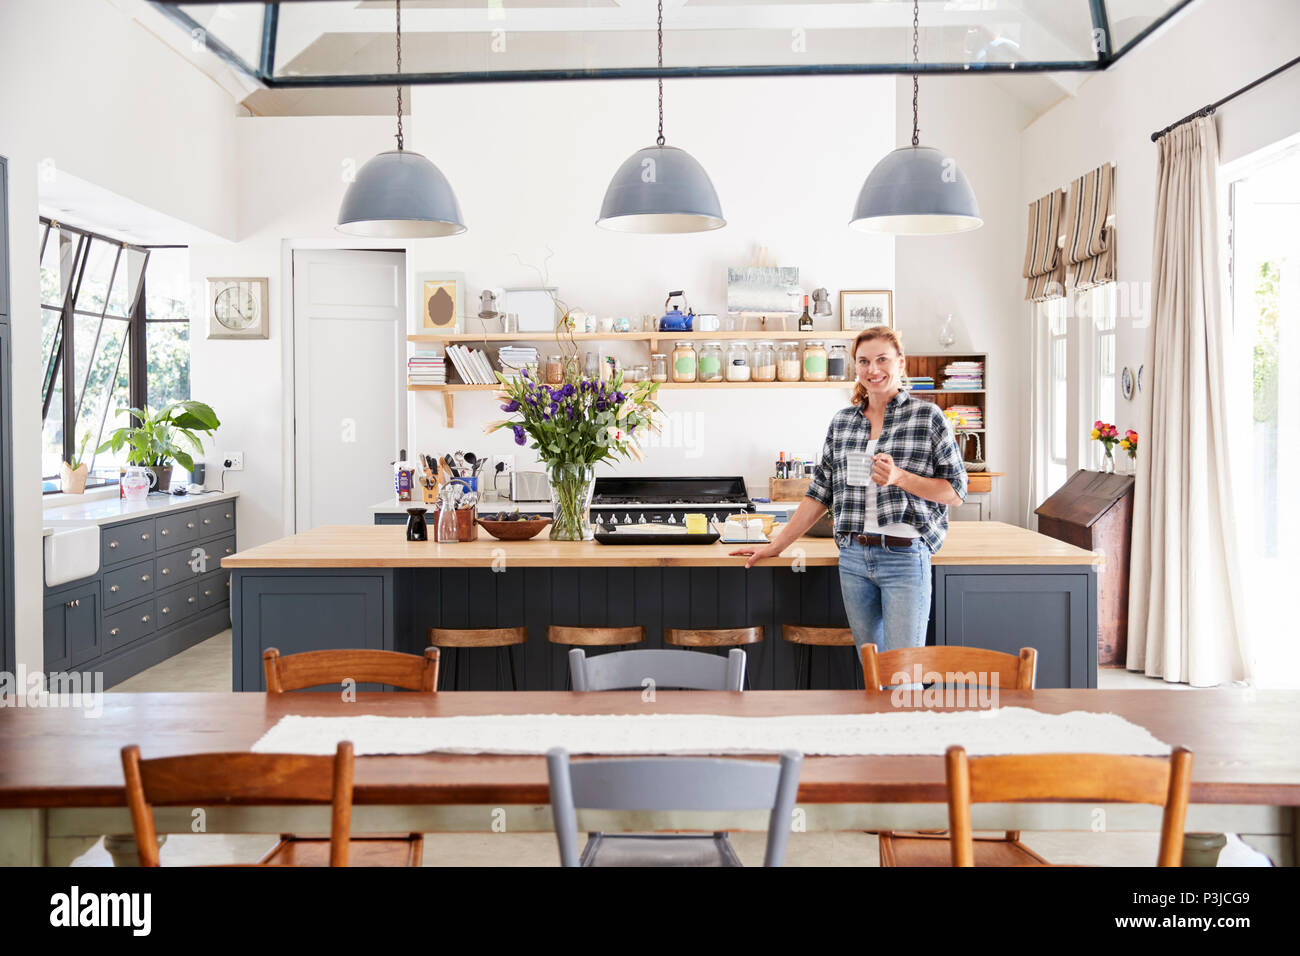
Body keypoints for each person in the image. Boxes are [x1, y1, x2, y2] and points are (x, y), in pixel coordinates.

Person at [732, 327, 967, 656]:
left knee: (903, 672)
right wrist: (776, 546)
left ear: (901, 363)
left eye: (882, 359)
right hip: (854, 558)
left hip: (905, 557)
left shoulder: (927, 418)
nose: (873, 369)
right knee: (871, 670)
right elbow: (818, 494)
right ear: (856, 368)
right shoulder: (844, 422)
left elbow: (955, 491)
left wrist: (900, 477)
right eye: (864, 361)